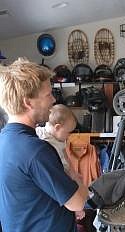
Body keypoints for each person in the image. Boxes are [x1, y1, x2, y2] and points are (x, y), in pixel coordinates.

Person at [0, 58, 88, 231]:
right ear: (28, 102)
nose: (53, 100)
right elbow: (78, 202)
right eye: (48, 94)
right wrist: (77, 179)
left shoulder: (4, 140)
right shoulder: (35, 150)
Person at [36, 104, 85, 220]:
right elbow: (64, 167)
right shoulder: (50, 143)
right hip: (61, 185)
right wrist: (75, 178)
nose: (69, 136)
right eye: (68, 132)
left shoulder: (42, 133)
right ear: (57, 127)